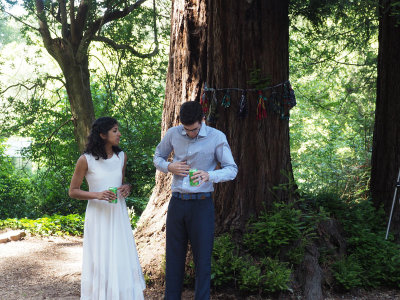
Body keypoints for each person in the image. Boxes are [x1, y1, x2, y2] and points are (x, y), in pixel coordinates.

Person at [154, 101, 238, 300]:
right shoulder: (174, 133)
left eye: (194, 129)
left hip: (202, 205)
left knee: (202, 260)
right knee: (173, 258)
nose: (190, 133)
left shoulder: (217, 137)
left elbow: (231, 169)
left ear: (202, 119)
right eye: (186, 129)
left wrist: (209, 175)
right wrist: (169, 167)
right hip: (177, 203)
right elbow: (158, 156)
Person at [69, 117, 145, 300]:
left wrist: (127, 187)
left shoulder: (121, 157)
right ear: (102, 135)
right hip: (98, 216)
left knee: (120, 256)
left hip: (118, 214)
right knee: (100, 257)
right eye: (114, 131)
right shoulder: (85, 160)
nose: (119, 134)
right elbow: (73, 191)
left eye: (118, 130)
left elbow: (121, 181)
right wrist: (97, 194)